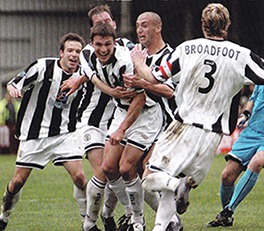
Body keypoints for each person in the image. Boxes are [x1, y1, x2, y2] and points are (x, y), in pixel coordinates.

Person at [129, 3, 264, 231]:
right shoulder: (241, 55)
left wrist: (138, 62)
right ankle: (161, 226)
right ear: (226, 26)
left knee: (150, 179)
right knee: (172, 188)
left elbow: (154, 77)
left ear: (203, 24)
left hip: (183, 127)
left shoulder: (187, 48)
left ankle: (176, 184)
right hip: (212, 136)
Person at [205, 37, 264, 227]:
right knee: (227, 176)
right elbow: (254, 97)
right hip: (252, 132)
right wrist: (246, 113)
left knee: (256, 163)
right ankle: (227, 217)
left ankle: (228, 210)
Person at [60, 5, 137, 231]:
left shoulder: (126, 48)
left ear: (113, 23)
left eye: (107, 20)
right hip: (91, 119)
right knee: (103, 171)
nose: (104, 24)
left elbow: (144, 59)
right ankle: (94, 222)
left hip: (118, 119)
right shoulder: (89, 51)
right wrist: (81, 80)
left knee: (114, 170)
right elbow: (90, 73)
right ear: (93, 32)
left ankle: (108, 215)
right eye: (98, 23)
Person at [0, 33, 87, 231]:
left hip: (65, 133)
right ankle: (4, 216)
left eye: (78, 51)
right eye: (70, 50)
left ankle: (87, 223)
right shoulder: (42, 66)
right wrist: (13, 89)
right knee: (17, 183)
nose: (74, 55)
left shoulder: (83, 75)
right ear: (61, 53)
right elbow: (14, 83)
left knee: (80, 177)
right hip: (34, 134)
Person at [88, 22, 163, 231]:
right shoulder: (92, 57)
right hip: (122, 111)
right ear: (92, 43)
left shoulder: (125, 61)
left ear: (114, 43)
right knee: (108, 167)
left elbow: (140, 100)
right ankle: (131, 213)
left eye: (108, 45)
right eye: (99, 45)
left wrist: (121, 130)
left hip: (145, 114)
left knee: (127, 168)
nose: (103, 49)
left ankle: (139, 222)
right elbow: (91, 75)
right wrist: (112, 93)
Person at [124, 12, 181, 231]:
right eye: (138, 26)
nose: (140, 30)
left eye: (145, 26)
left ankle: (166, 219)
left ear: (158, 28)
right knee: (133, 172)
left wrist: (143, 83)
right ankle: (169, 220)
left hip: (168, 125)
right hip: (144, 124)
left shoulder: (172, 55)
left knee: (149, 173)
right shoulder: (136, 55)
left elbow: (169, 91)